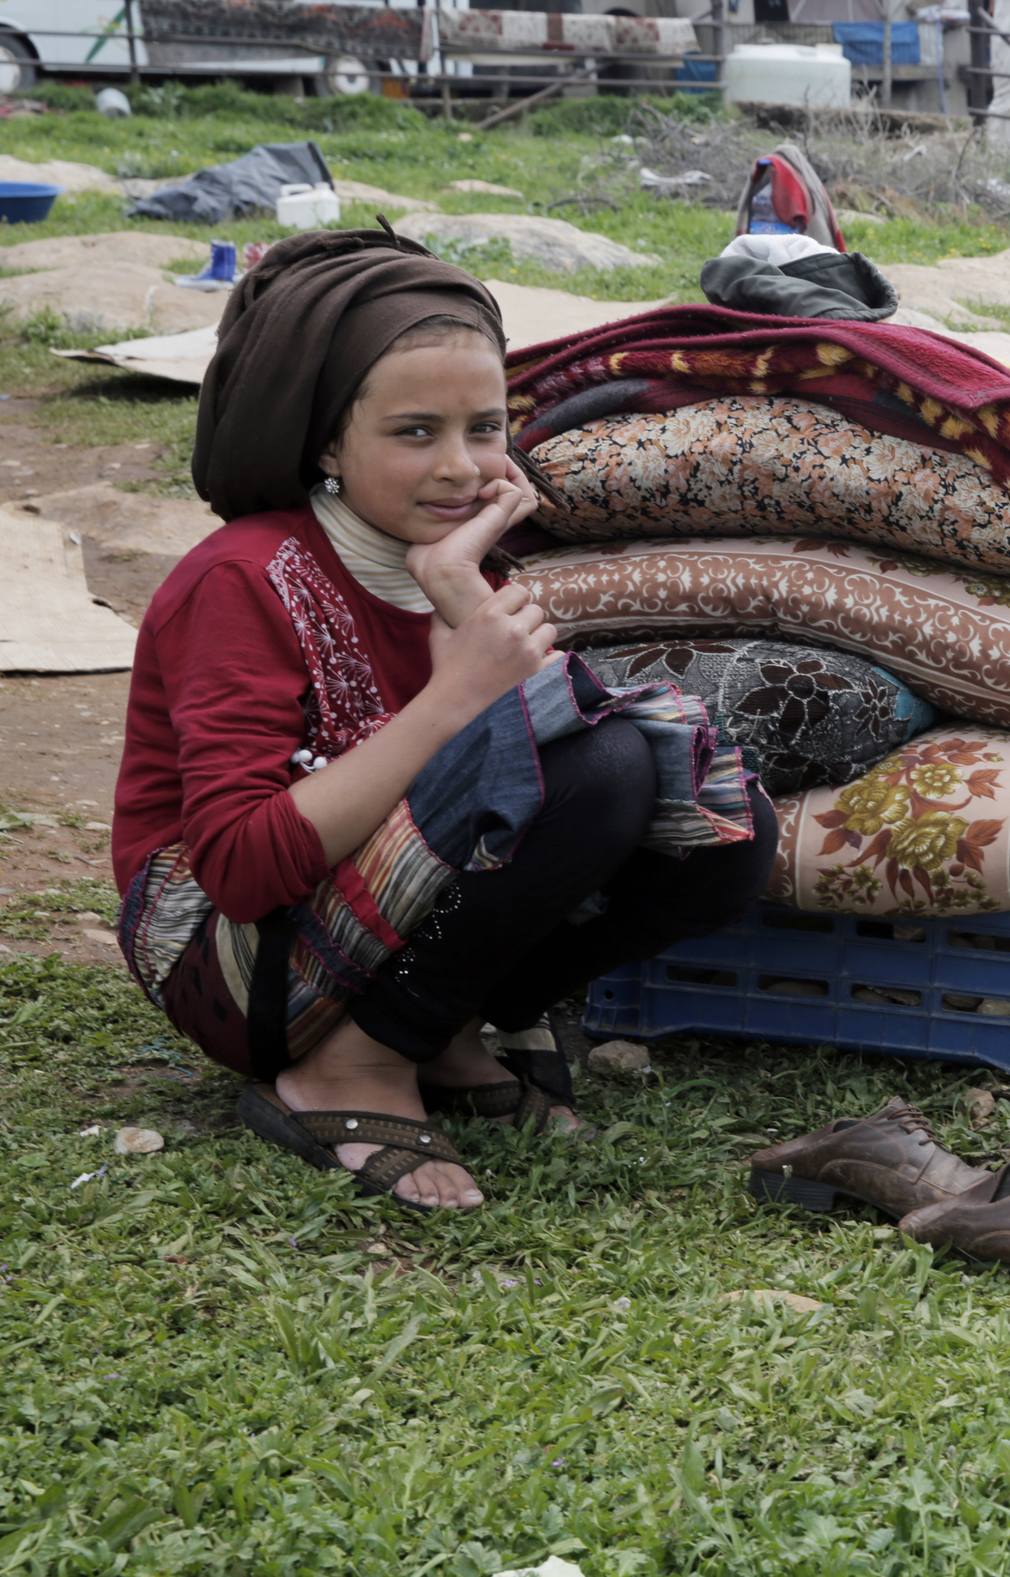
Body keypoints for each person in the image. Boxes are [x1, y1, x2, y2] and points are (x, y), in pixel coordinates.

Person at [112, 229, 775, 1214]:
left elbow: (562, 789)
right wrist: (455, 693)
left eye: (486, 428)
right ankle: (352, 1067)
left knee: (708, 822)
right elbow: (241, 869)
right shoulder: (242, 579)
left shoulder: (462, 570)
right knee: (598, 767)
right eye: (414, 432)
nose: (462, 469)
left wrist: (461, 599)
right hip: (231, 959)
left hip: (360, 922)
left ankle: (446, 1027)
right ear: (327, 441)